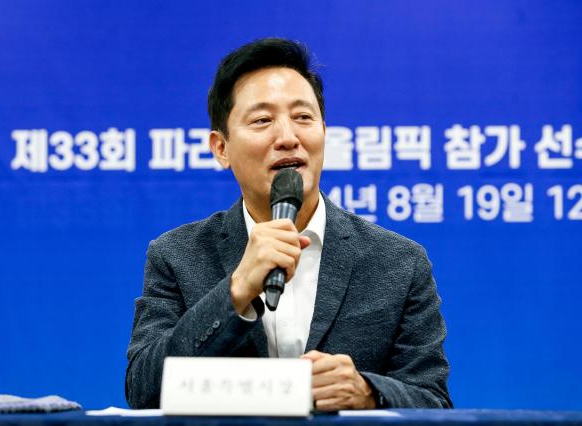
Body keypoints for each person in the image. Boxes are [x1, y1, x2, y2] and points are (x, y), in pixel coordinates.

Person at [125, 38, 451, 410]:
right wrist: (235, 291)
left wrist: (369, 393)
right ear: (221, 148)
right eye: (263, 120)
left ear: (324, 132)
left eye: (303, 118)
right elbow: (143, 390)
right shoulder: (177, 256)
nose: (288, 137)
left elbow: (434, 401)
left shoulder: (398, 262)